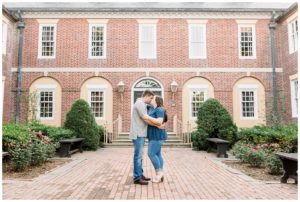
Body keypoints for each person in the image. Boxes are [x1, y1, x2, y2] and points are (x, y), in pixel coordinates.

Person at [129, 89, 164, 185]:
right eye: (151, 98)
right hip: (138, 133)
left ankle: (140, 174)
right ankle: (137, 177)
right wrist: (157, 124)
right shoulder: (140, 104)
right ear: (147, 96)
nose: (151, 100)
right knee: (138, 156)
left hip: (140, 133)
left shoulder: (142, 104)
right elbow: (145, 118)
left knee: (140, 156)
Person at [147, 95, 168, 183]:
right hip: (153, 134)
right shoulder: (151, 108)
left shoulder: (159, 109)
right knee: (158, 154)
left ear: (156, 101)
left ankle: (159, 173)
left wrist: (147, 118)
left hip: (157, 135)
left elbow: (159, 121)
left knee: (151, 153)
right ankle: (161, 173)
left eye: (153, 98)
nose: (151, 99)